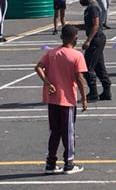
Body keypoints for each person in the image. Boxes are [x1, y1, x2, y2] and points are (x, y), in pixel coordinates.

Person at [36, 23, 89, 174]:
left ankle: (51, 163)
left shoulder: (52, 53)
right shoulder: (77, 55)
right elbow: (79, 78)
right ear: (74, 38)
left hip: (53, 99)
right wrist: (84, 98)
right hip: (67, 99)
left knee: (55, 131)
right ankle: (69, 163)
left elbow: (38, 67)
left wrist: (47, 82)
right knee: (68, 132)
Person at [78, 0, 111, 100]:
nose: (80, 0)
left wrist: (88, 40)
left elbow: (96, 25)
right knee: (99, 66)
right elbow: (90, 25)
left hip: (96, 39)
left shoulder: (93, 7)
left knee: (87, 66)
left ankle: (93, 92)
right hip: (97, 39)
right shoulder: (91, 7)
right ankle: (107, 91)